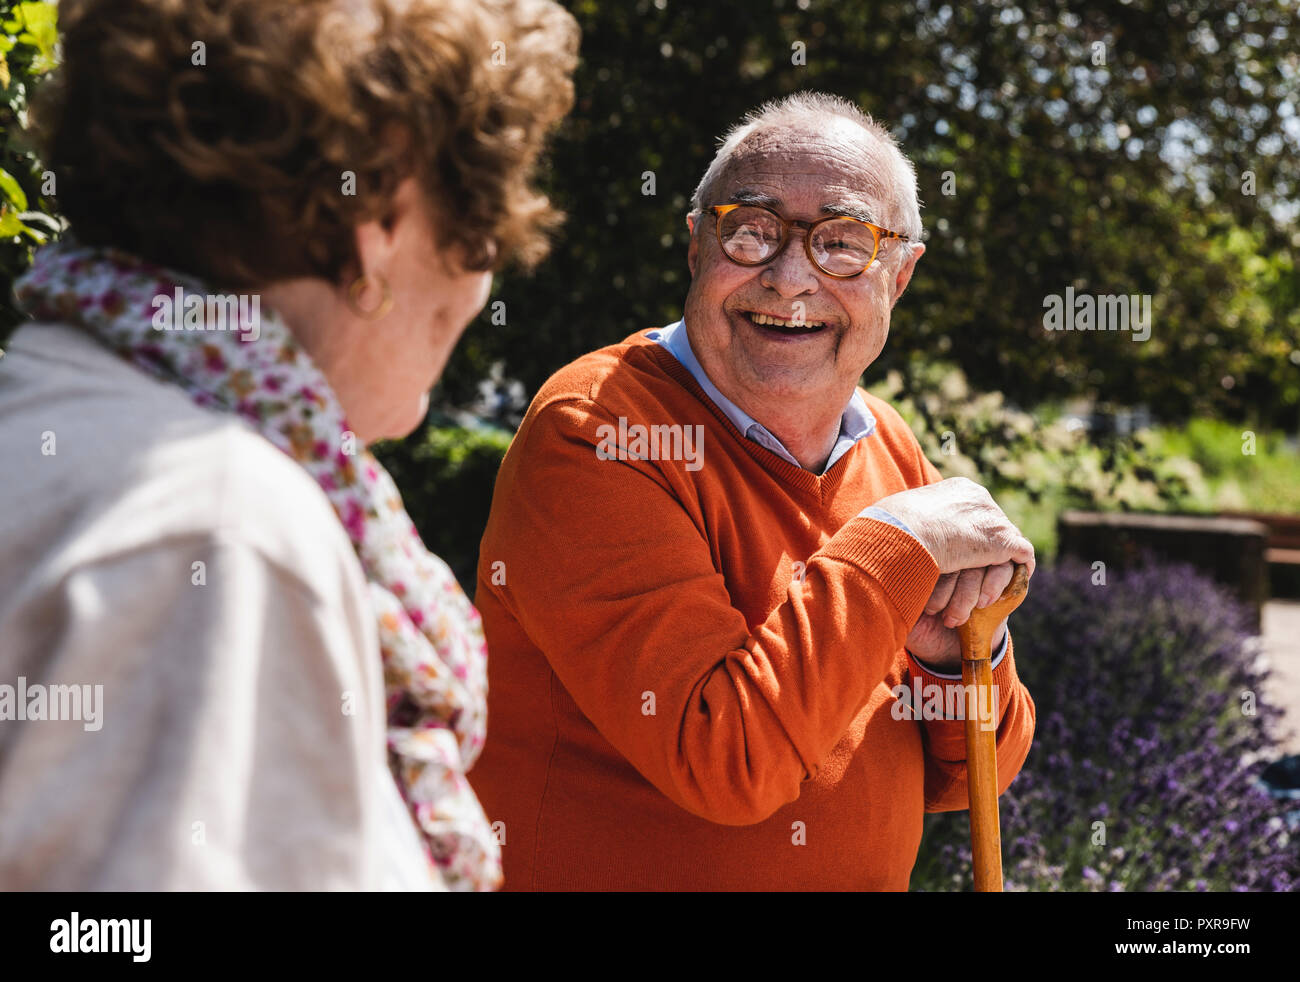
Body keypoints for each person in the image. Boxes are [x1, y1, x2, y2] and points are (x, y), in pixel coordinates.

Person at [0, 0, 578, 890]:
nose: (487, 271)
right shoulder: (219, 529)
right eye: (487, 213)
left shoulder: (57, 401)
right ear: (387, 205)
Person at [471, 92, 1038, 890]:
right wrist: (897, 548)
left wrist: (952, 664)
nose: (789, 278)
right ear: (696, 246)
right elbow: (725, 761)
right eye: (751, 232)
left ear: (899, 277)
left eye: (843, 243)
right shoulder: (599, 428)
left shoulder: (889, 445)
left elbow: (967, 777)